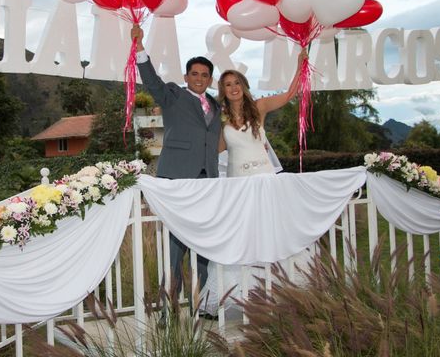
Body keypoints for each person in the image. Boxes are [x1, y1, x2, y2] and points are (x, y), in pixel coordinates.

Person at [201, 48, 311, 316]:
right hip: (238, 185)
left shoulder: (259, 108)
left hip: (265, 181)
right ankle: (235, 298)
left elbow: (289, 94)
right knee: (241, 238)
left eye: (236, 82)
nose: (233, 87)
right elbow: (213, 149)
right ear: (223, 91)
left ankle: (284, 293)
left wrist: (301, 64)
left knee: (273, 233)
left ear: (243, 85)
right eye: (227, 85)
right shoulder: (220, 119)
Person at [131, 24, 221, 299]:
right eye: (194, 74)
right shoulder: (174, 95)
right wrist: (140, 48)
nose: (199, 78)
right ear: (186, 76)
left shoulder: (216, 105)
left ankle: (200, 300)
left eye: (204, 75)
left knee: (205, 241)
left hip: (208, 181)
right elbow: (152, 82)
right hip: (177, 178)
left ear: (210, 79)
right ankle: (167, 307)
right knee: (175, 243)